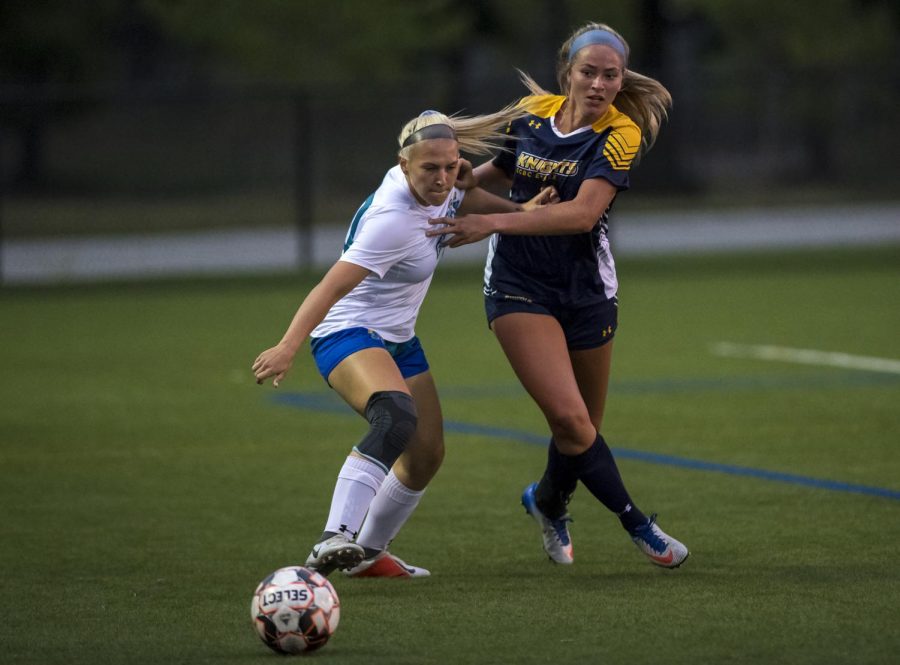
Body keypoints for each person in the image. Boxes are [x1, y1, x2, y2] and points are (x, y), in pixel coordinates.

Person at [252, 106, 556, 578]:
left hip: (398, 337)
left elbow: (463, 199)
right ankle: (335, 537)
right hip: (346, 331)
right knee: (394, 417)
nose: (442, 178)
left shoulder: (447, 180)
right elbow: (330, 288)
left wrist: (519, 212)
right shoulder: (390, 221)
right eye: (429, 168)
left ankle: (367, 557)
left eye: (451, 166)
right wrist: (287, 345)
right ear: (402, 166)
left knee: (426, 453)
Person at [427, 22, 689, 568]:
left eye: (609, 76)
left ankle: (546, 502)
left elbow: (583, 214)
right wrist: (456, 179)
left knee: (581, 429)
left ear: (621, 80)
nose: (598, 85)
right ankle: (640, 526)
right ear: (566, 73)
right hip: (518, 287)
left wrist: (495, 223)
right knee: (572, 422)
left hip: (587, 290)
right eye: (587, 73)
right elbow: (496, 176)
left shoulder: (622, 133)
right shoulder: (531, 113)